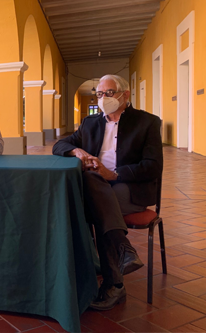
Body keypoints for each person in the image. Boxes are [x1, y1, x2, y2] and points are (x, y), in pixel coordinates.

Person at [52, 74, 163, 310]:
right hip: (99, 187)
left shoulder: (147, 122)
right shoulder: (90, 123)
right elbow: (59, 145)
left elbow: (153, 165)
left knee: (96, 205)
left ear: (126, 95)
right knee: (94, 185)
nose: (103, 98)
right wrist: (78, 153)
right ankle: (122, 249)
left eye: (109, 93)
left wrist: (114, 174)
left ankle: (115, 285)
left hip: (130, 189)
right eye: (100, 94)